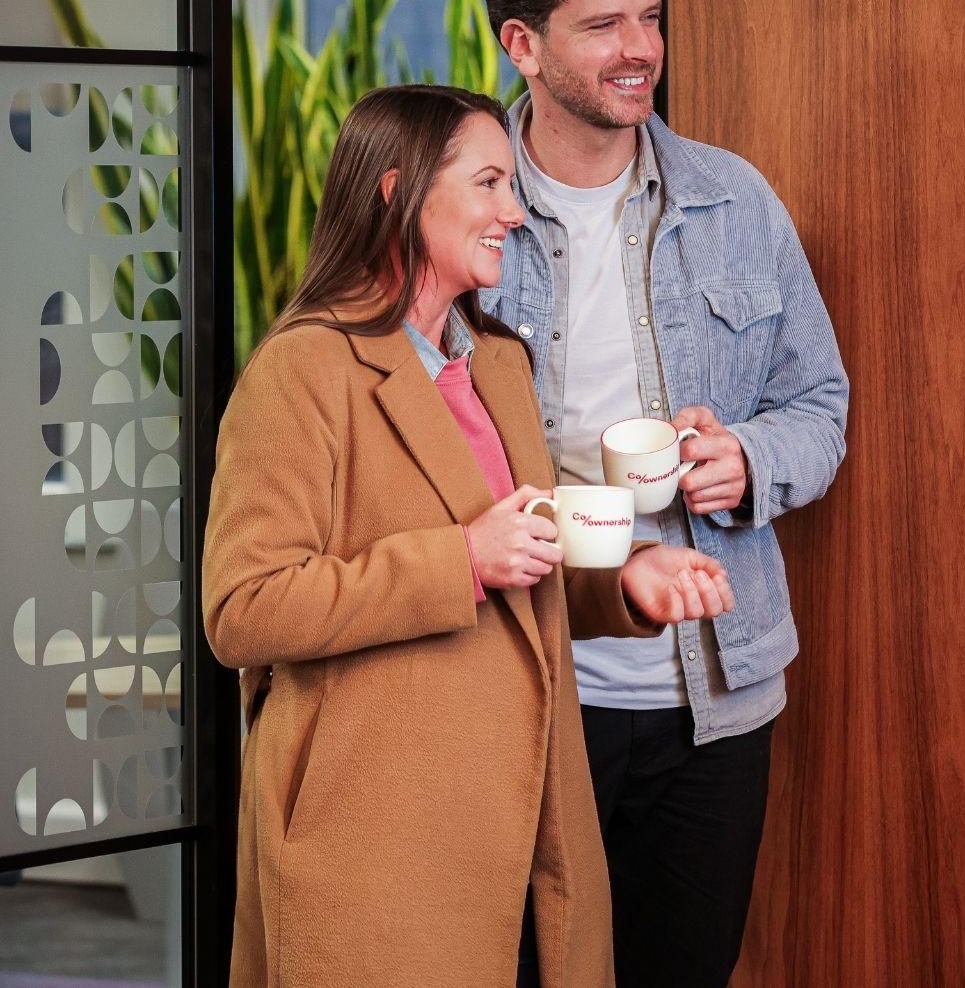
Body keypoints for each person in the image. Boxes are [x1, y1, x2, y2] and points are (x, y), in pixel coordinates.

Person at [202, 84, 737, 988]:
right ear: (395, 189)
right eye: (489, 182)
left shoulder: (496, 363)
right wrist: (460, 559)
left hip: (532, 830)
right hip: (381, 844)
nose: (512, 211)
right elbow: (243, 609)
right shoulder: (301, 371)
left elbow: (521, 560)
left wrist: (627, 581)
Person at [483, 0, 849, 987]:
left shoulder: (736, 200)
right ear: (523, 45)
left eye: (649, 16)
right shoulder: (464, 206)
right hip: (527, 690)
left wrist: (750, 462)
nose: (640, 47)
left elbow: (820, 403)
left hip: (713, 701)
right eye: (602, 25)